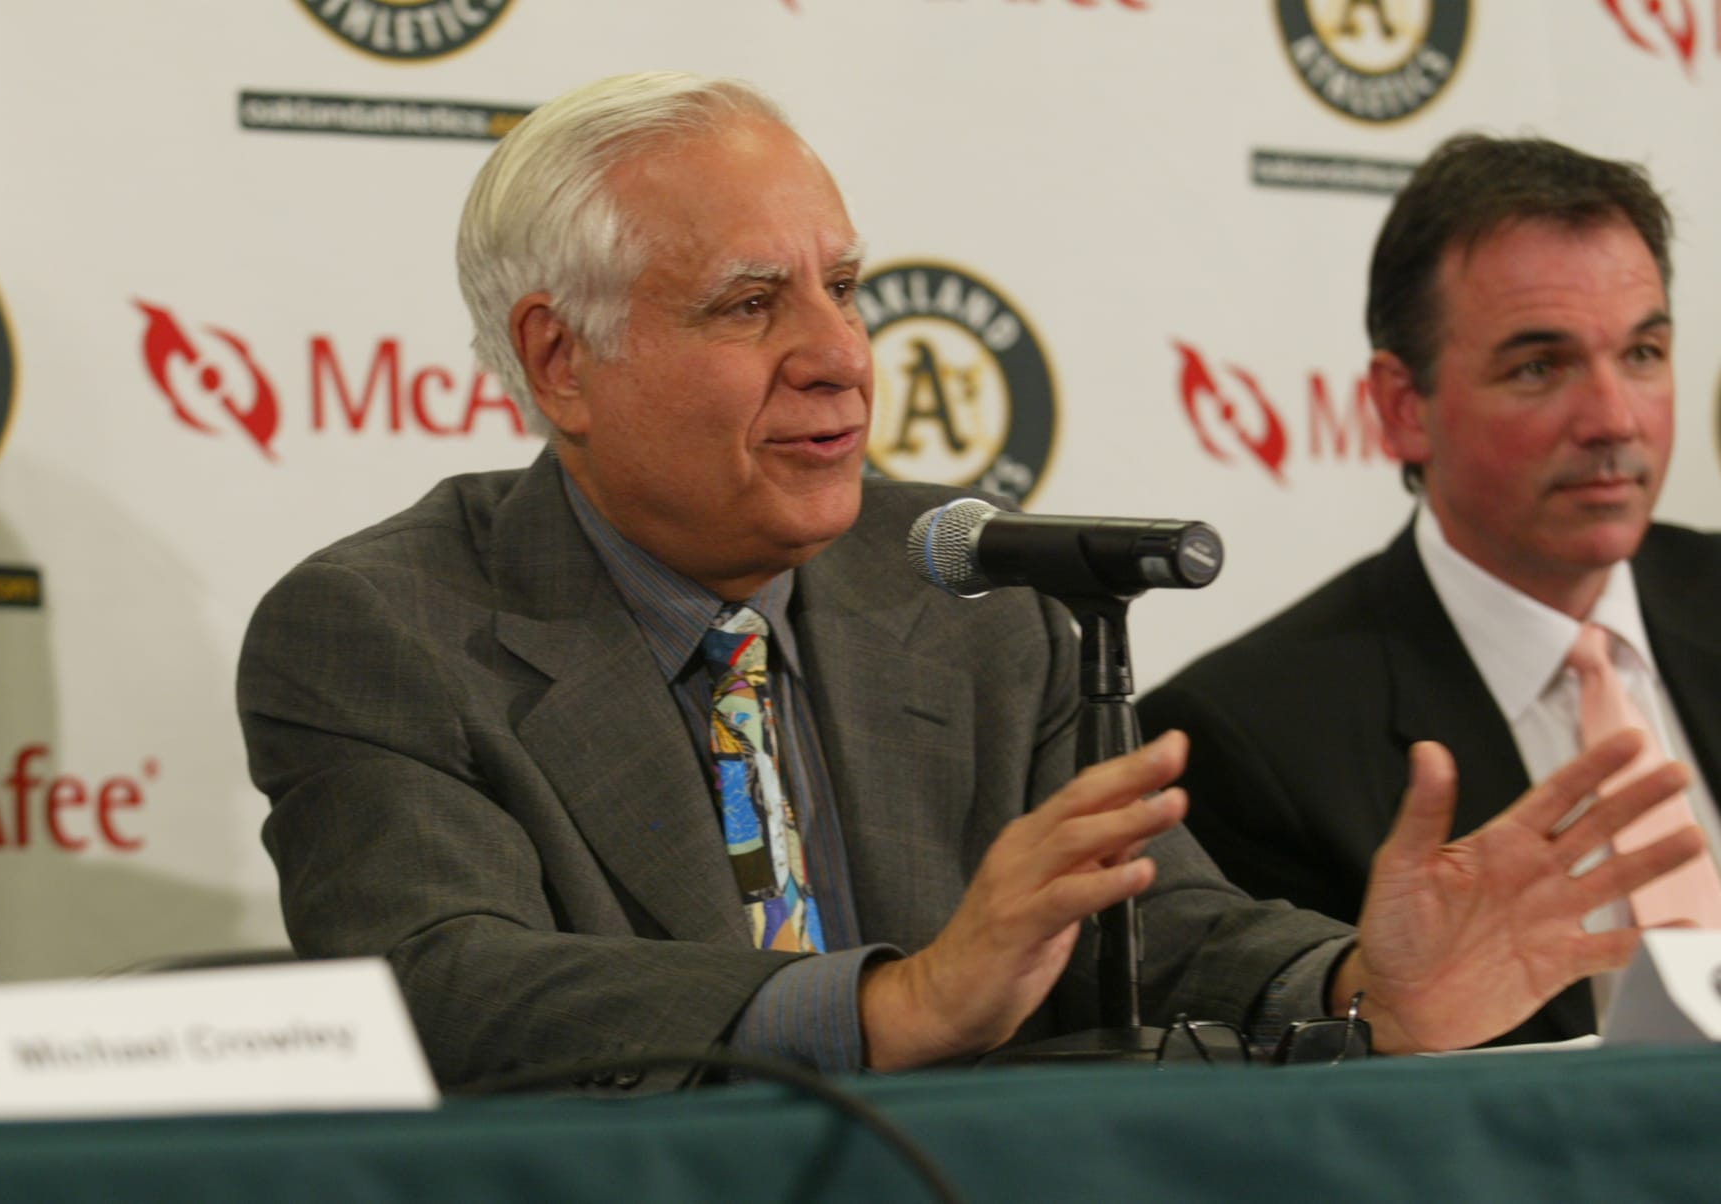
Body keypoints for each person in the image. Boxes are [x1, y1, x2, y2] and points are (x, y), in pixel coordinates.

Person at [238, 79, 1700, 1092]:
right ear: (563, 360)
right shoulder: (386, 629)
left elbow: (1162, 929)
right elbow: (439, 991)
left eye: (846, 286)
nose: (840, 354)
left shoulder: (969, 588)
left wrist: (1362, 990)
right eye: (753, 304)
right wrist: (891, 1006)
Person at [1139, 133, 1718, 1046]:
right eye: (1541, 366)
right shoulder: (1249, 742)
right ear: (1404, 408)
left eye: (1642, 353)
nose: (1613, 418)